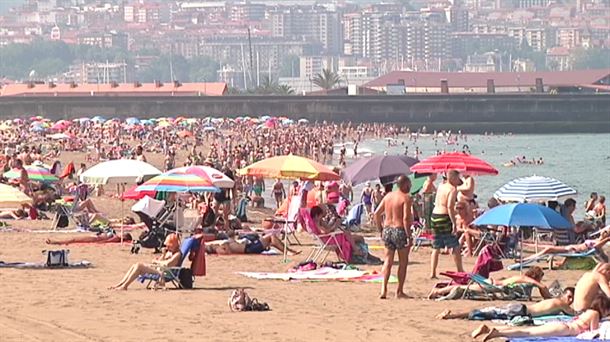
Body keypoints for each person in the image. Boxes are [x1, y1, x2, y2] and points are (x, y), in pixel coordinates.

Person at [471, 294, 610, 341]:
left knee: (528, 330)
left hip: (562, 325)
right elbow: (594, 332)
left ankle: (491, 329)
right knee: (528, 332)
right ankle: (496, 332)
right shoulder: (595, 314)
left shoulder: (587, 312)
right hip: (565, 329)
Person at [373, 175, 413, 299]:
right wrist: (408, 235)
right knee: (403, 262)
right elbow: (406, 218)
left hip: (387, 230)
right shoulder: (405, 198)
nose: (410, 187)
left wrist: (380, 229)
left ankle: (383, 290)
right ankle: (399, 291)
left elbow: (376, 214)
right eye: (409, 185)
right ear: (405, 185)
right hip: (399, 230)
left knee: (387, 261)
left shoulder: (388, 196)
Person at [437, 287, 575, 320]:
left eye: (571, 298)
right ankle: (451, 316)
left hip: (520, 308)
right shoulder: (560, 303)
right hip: (521, 311)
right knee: (487, 313)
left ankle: (453, 315)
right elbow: (574, 313)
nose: (570, 300)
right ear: (563, 295)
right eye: (568, 296)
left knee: (489, 311)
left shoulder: (555, 301)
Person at [109, 233, 182, 290]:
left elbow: (167, 264)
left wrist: (157, 262)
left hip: (166, 274)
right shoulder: (169, 252)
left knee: (139, 266)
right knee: (135, 265)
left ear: (175, 245)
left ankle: (125, 286)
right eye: (167, 245)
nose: (167, 247)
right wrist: (163, 255)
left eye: (169, 246)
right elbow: (161, 261)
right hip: (159, 269)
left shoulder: (177, 254)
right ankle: (120, 284)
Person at [427, 266, 552, 300]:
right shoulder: (525, 279)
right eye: (540, 277)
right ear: (535, 276)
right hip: (493, 286)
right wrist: (542, 287)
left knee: (464, 288)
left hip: (493, 284)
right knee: (464, 288)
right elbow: (542, 286)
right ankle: (438, 291)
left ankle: (440, 290)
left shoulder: (521, 279)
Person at [430, 170, 464, 279]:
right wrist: (454, 222)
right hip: (444, 216)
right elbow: (449, 206)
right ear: (453, 178)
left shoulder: (441, 186)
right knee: (455, 245)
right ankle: (460, 270)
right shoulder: (452, 189)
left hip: (435, 215)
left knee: (436, 246)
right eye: (457, 178)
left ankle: (433, 272)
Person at [523, 230, 610, 262]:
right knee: (547, 248)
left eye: (605, 233)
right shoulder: (597, 239)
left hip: (573, 250)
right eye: (603, 231)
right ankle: (529, 259)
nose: (603, 232)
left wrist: (607, 239)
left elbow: (596, 247)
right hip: (571, 247)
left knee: (548, 249)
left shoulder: (599, 243)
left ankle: (527, 259)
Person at [204, 231, 300, 255]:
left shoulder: (224, 243)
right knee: (271, 236)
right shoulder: (221, 245)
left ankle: (288, 251)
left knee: (271, 237)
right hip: (249, 249)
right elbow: (228, 253)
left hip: (249, 246)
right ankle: (287, 252)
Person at [46, 231, 133, 245]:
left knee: (73, 240)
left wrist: (99, 243)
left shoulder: (117, 238)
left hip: (95, 239)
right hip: (95, 237)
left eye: (123, 233)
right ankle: (55, 241)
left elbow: (107, 241)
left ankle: (54, 242)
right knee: (73, 239)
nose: (122, 232)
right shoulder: (116, 236)